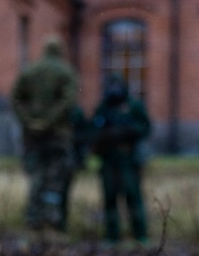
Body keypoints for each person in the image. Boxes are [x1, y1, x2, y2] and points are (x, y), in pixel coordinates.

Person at [11, 35, 78, 231]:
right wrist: (49, 122)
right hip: (57, 135)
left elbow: (15, 99)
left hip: (32, 136)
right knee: (56, 178)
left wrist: (30, 122)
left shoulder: (30, 71)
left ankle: (33, 218)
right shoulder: (66, 72)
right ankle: (53, 219)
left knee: (36, 176)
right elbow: (68, 102)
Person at [91, 74, 151, 243]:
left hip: (129, 159)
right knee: (110, 197)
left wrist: (128, 131)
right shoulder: (103, 107)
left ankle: (140, 234)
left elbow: (146, 127)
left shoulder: (134, 106)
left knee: (133, 197)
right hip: (109, 159)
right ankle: (112, 236)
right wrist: (105, 135)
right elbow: (93, 130)